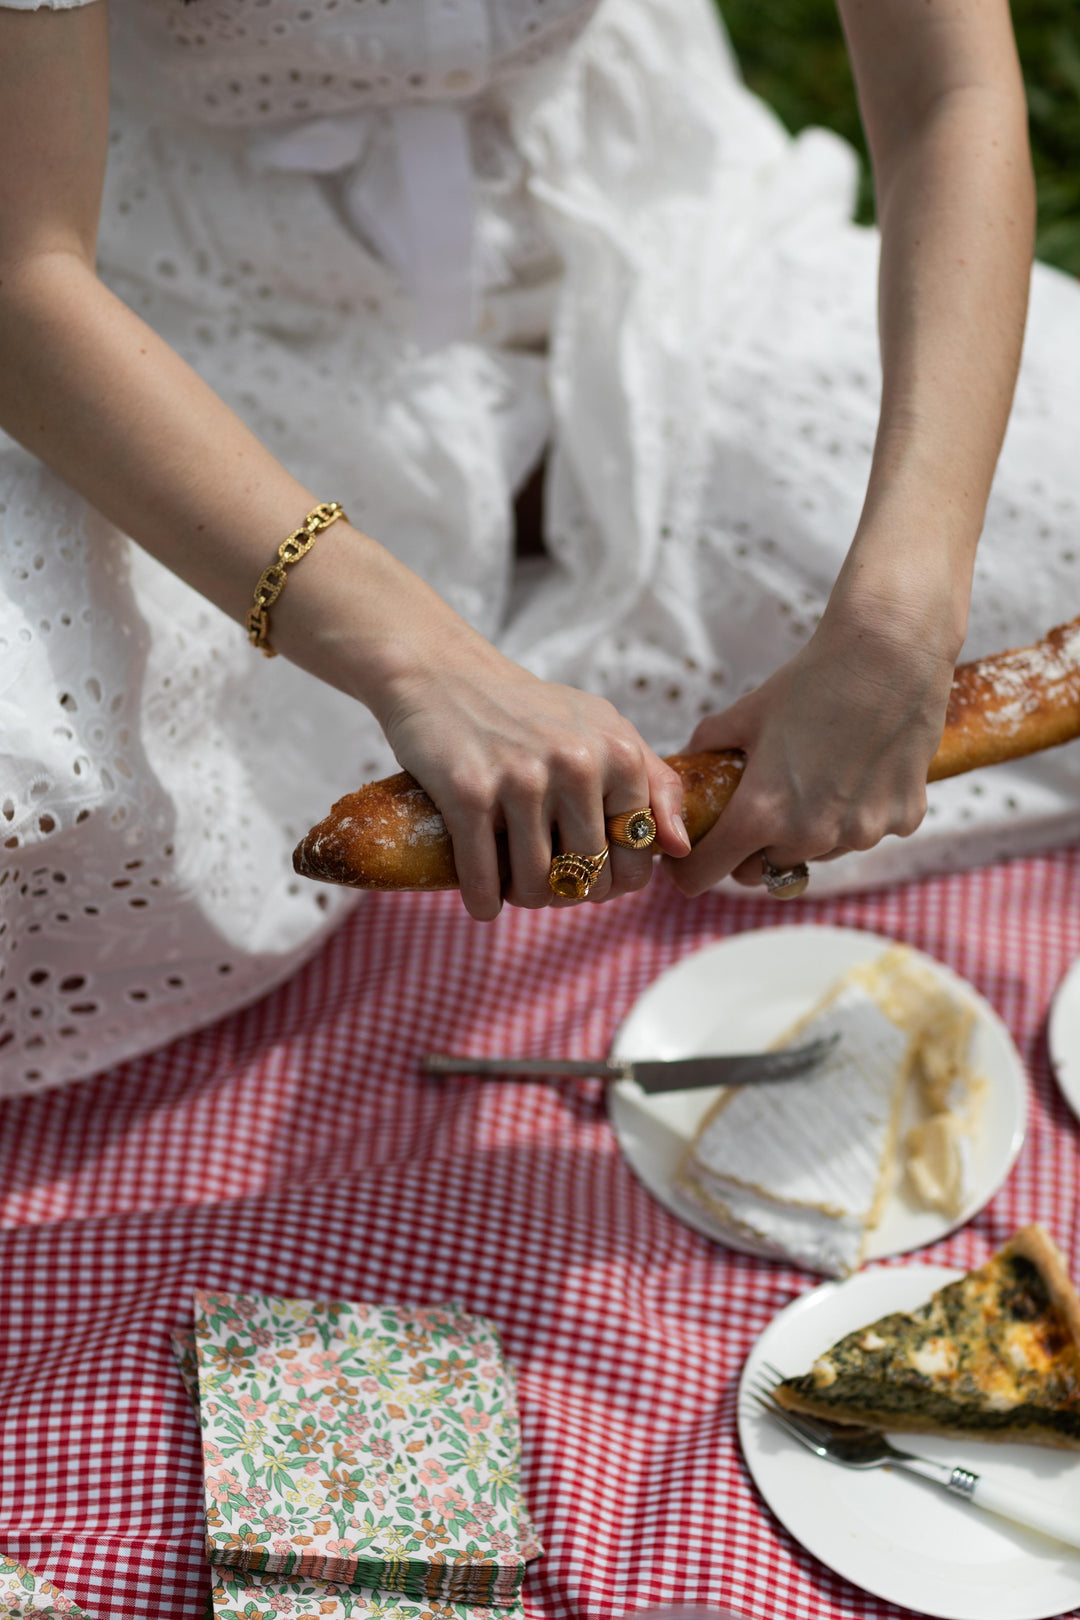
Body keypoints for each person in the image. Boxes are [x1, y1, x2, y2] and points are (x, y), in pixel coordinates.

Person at [1, 0, 1079, 1095]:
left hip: (617, 230)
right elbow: (22, 275)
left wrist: (900, 614)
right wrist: (425, 663)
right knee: (27, 773)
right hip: (162, 336)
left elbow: (952, 96)